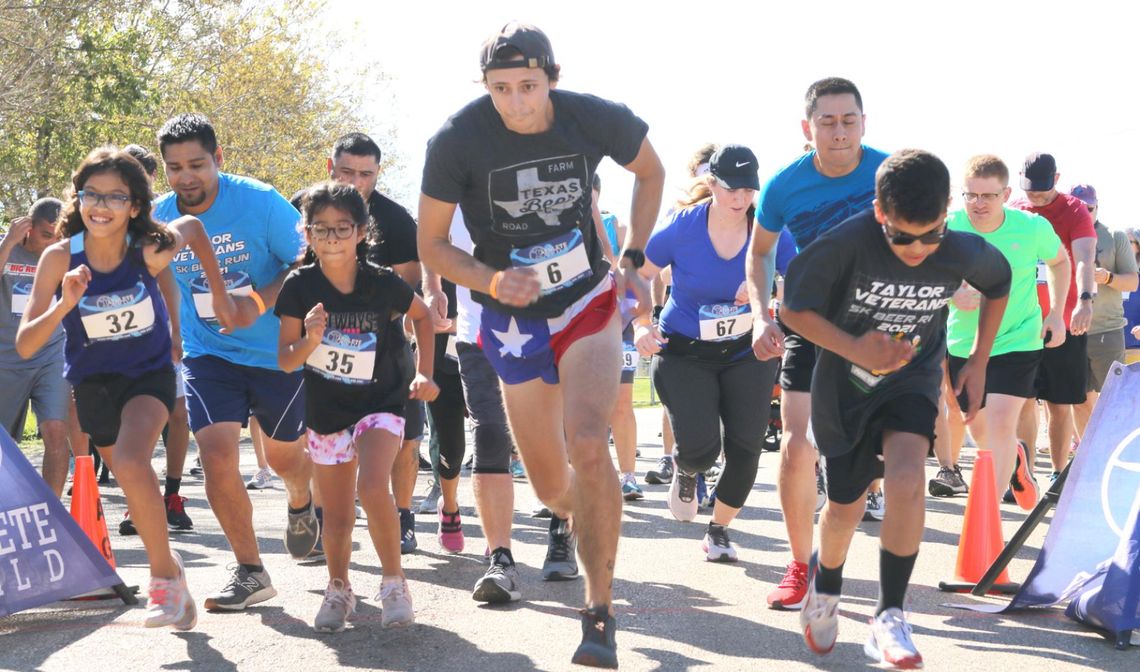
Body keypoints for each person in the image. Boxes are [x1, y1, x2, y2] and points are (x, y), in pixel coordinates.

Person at [417, 22, 665, 668]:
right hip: (511, 319)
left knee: (589, 441)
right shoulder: (458, 139)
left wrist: (634, 254)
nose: (517, 102)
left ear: (552, 79)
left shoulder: (588, 117)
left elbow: (651, 169)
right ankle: (587, 516)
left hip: (585, 299)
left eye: (528, 86)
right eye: (501, 89)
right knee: (556, 488)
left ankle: (599, 611)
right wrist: (493, 279)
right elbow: (432, 246)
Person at [785, 149, 1010, 668]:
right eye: (902, 236)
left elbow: (999, 284)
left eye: (930, 234)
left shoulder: (958, 249)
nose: (918, 249)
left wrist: (978, 360)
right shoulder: (844, 245)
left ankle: (890, 614)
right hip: (845, 388)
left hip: (912, 378)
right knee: (844, 508)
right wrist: (857, 348)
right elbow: (794, 309)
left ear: (946, 213)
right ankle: (827, 586)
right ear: (880, 212)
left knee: (909, 476)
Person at [16, 146, 238, 629]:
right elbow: (27, 342)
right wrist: (64, 304)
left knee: (136, 463)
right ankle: (175, 571)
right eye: (92, 194)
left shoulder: (148, 249)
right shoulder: (59, 258)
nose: (102, 205)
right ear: (78, 199)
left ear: (135, 205)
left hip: (148, 375)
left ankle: (162, 580)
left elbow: (196, 230)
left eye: (116, 197)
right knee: (136, 484)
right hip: (93, 384)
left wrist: (219, 296)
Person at [153, 113, 317, 610]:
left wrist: (258, 304)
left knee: (288, 458)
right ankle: (250, 570)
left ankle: (300, 499)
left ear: (218, 160)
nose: (187, 177)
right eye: (175, 167)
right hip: (210, 355)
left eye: (197, 164)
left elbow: (306, 262)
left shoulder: (261, 201)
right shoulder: (160, 216)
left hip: (276, 353)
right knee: (217, 454)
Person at [746, 77, 890, 610]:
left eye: (848, 120)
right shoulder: (785, 186)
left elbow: (930, 233)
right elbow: (759, 253)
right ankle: (800, 564)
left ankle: (861, 564)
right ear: (807, 129)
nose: (838, 132)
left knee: (873, 450)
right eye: (826, 122)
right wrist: (762, 315)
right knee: (796, 443)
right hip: (809, 320)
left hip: (880, 323)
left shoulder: (889, 172)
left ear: (863, 122)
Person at [276, 181, 438, 632]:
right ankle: (339, 587)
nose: (331, 238)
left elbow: (423, 318)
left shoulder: (381, 282)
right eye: (321, 229)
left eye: (341, 228)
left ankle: (394, 582)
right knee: (338, 510)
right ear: (306, 234)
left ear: (362, 232)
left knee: (372, 485)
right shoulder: (298, 287)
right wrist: (310, 338)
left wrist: (425, 373)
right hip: (328, 411)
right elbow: (285, 358)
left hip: (382, 402)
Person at [636, 144, 779, 560]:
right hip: (684, 352)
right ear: (712, 184)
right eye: (731, 189)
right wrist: (642, 323)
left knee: (747, 446)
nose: (740, 199)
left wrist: (764, 289)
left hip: (746, 352)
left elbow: (804, 275)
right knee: (702, 450)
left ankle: (719, 529)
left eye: (749, 190)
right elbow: (635, 273)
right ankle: (687, 466)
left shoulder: (767, 231)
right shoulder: (682, 227)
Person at [292, 132, 426, 553]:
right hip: (318, 346)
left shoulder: (397, 219)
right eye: (347, 171)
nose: (356, 181)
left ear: (377, 174)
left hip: (384, 348)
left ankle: (401, 516)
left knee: (405, 438)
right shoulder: (298, 206)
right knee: (318, 436)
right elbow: (286, 263)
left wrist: (376, 311)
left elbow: (412, 280)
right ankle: (319, 514)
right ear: (329, 167)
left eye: (366, 174)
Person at [944, 155, 1068, 503]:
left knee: (1000, 424)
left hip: (1018, 339)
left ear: (1006, 193)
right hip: (965, 344)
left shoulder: (1031, 227)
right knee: (980, 429)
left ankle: (989, 520)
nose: (979, 204)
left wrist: (1056, 313)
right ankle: (1014, 458)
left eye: (988, 196)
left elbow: (1060, 261)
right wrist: (950, 291)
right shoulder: (946, 227)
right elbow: (919, 271)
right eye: (971, 195)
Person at [118, 143, 194, 534]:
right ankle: (137, 499)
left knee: (178, 414)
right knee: (134, 423)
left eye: (146, 181)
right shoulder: (107, 220)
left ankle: (172, 495)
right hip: (123, 338)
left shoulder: (166, 217)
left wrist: (176, 331)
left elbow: (169, 281)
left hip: (165, 332)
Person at [1010, 153, 1096, 482]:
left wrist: (1085, 299)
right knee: (1022, 401)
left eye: (1043, 191)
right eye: (1031, 190)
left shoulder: (1074, 210)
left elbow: (1086, 258)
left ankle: (1058, 475)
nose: (1037, 197)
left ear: (1056, 179)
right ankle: (1023, 473)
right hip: (1020, 322)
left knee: (1059, 403)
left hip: (1064, 321)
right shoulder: (1016, 209)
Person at [1, 199, 71, 496]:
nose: (51, 242)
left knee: (56, 433)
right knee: (5, 444)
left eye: (58, 236)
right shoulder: (9, 246)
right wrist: (8, 241)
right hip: (6, 357)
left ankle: (52, 513)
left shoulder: (61, 255)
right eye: (46, 234)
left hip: (51, 353)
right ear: (27, 228)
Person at [1068, 185, 1138, 457]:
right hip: (1071, 331)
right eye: (1078, 207)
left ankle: (1115, 456)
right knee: (1078, 399)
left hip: (1107, 330)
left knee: (1113, 401)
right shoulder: (1059, 234)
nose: (1084, 213)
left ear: (1098, 206)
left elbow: (1132, 281)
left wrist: (1107, 277)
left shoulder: (1115, 237)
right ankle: (1088, 458)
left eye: (1089, 208)